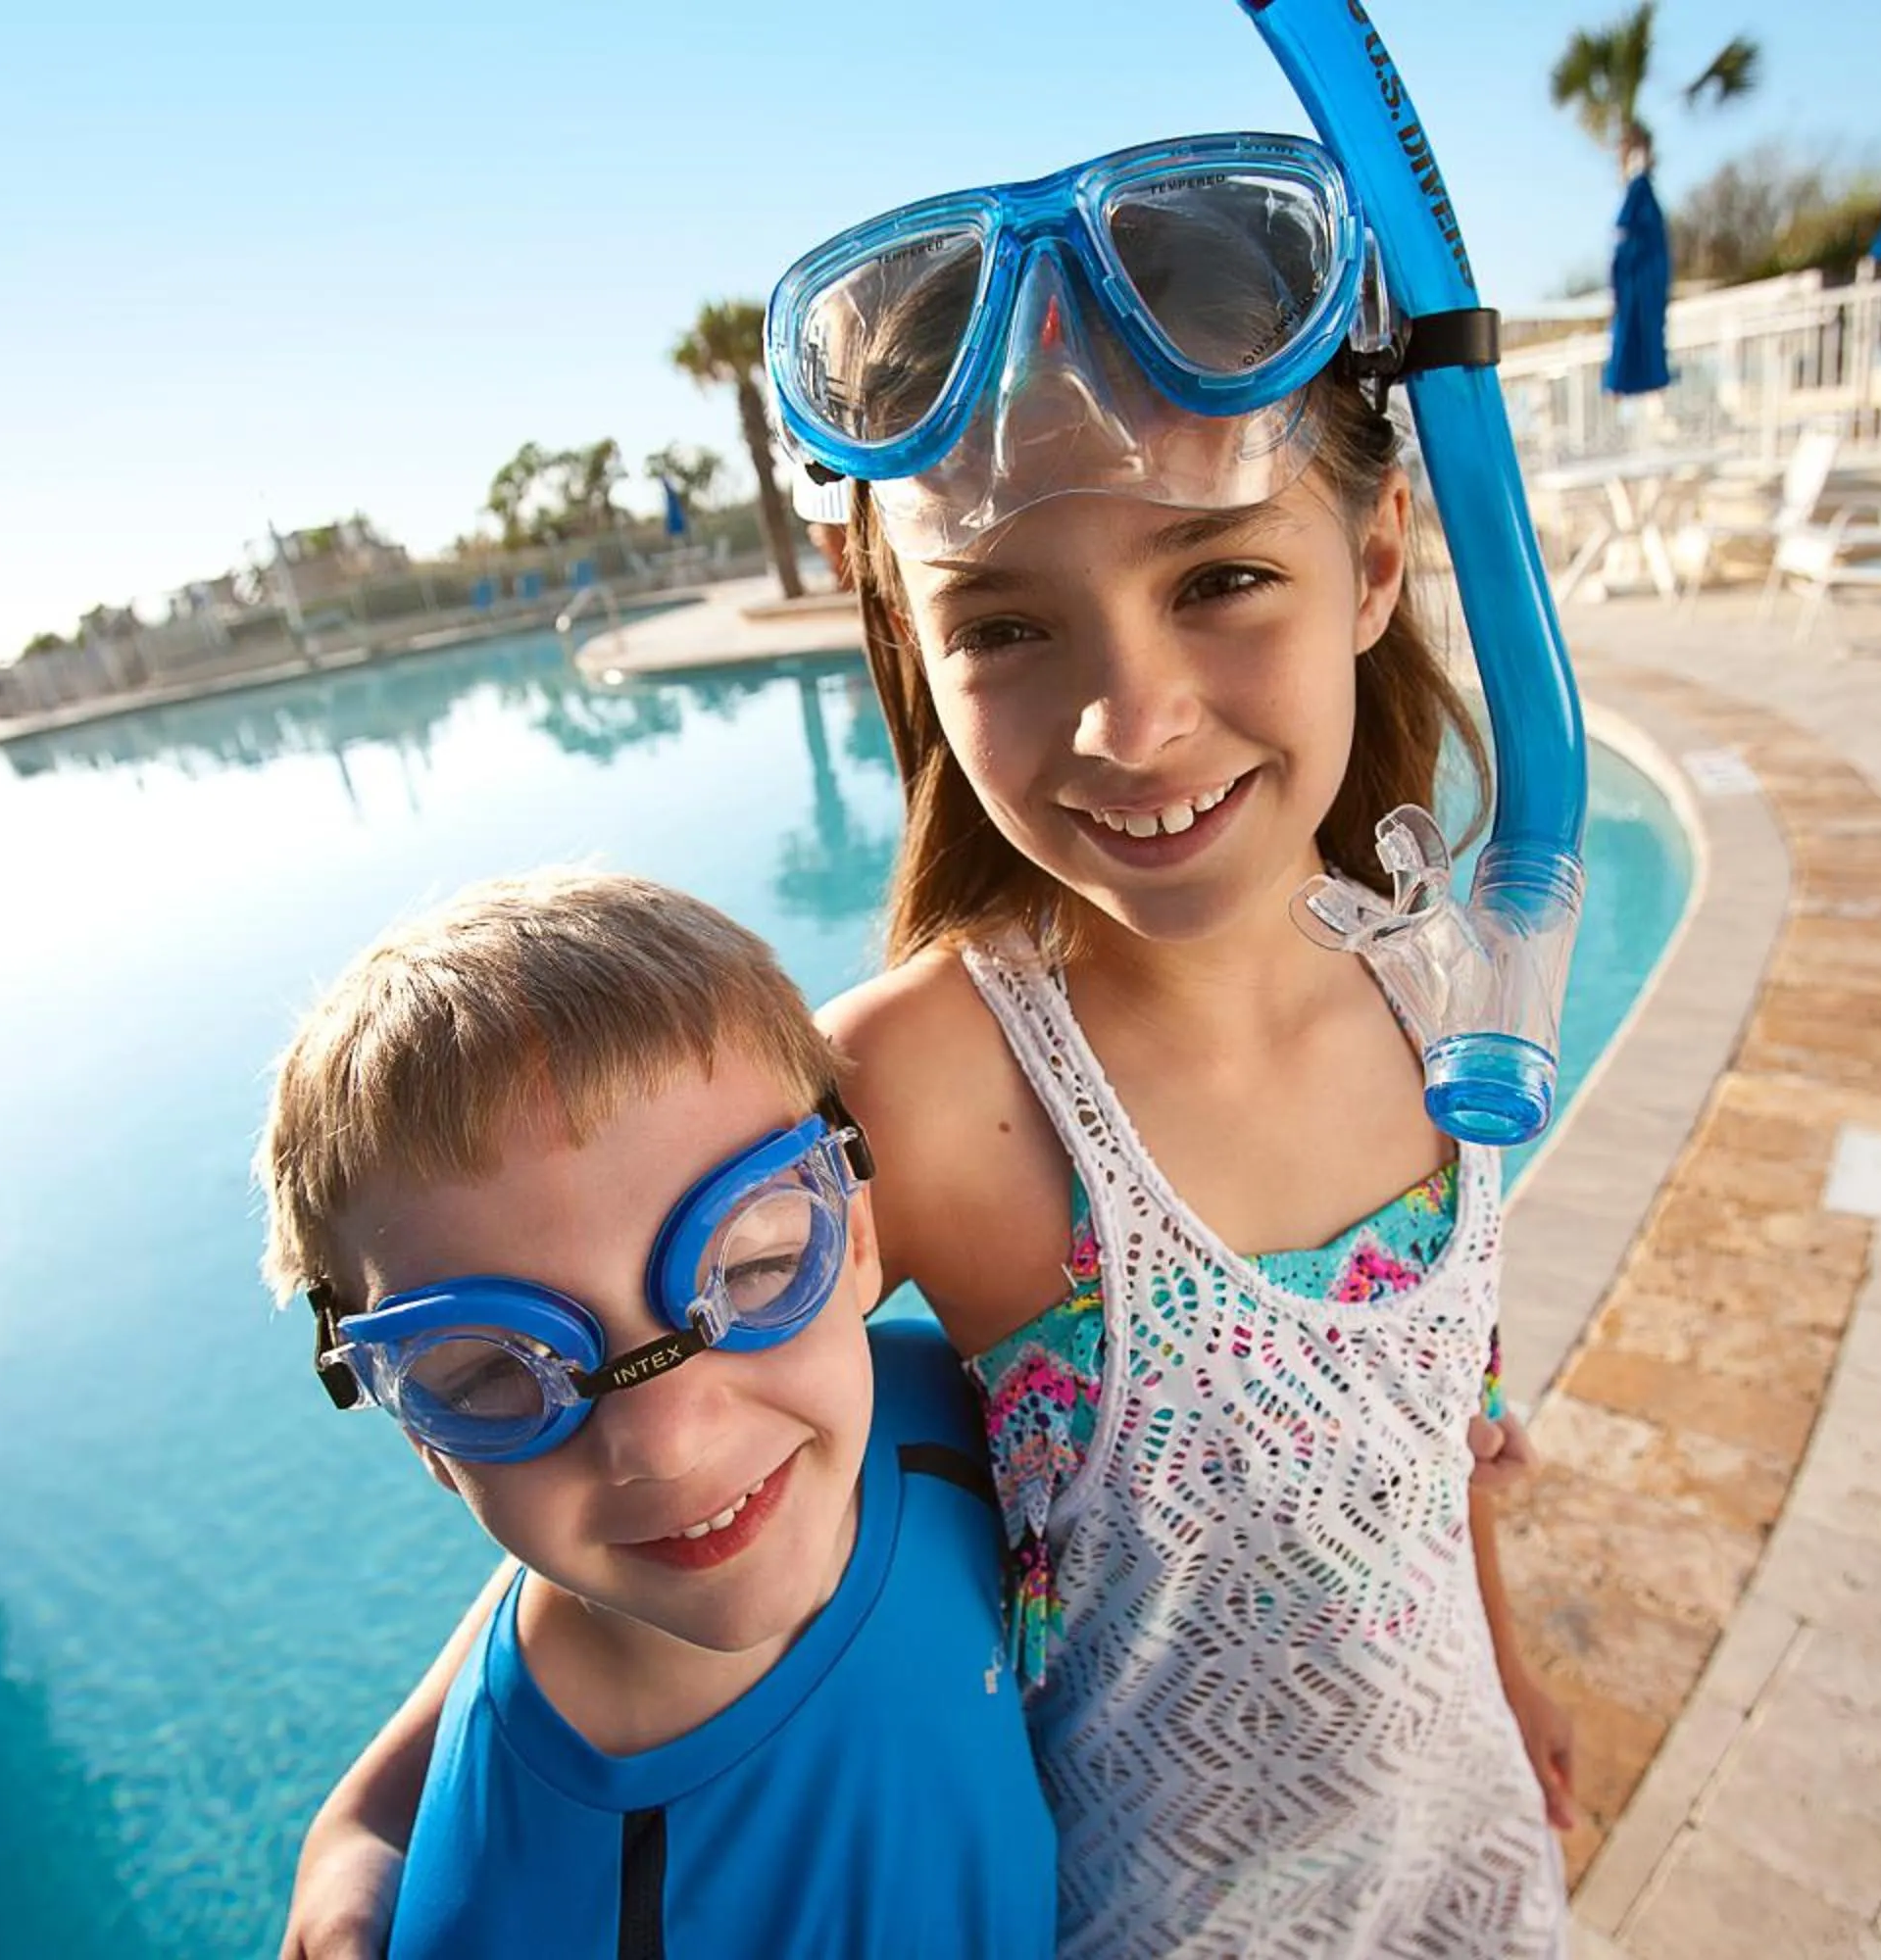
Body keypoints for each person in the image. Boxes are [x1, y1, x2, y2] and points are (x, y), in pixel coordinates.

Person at [282, 130, 1577, 1959]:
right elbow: (652, 1405)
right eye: (1011, 626)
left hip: (1466, 1865)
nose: (1133, 721)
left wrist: (1508, 1683)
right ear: (917, 643)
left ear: (1372, 563)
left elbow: (1438, 1437)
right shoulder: (929, 1085)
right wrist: (378, 1810)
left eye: (1219, 582)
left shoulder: (1444, 980)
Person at [261, 869, 1055, 1958]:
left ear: (857, 1235)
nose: (668, 1439)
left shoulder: (930, 1414)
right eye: (498, 1371)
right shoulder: (509, 1919)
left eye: (759, 1263)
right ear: (421, 1429)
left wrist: (362, 1813)